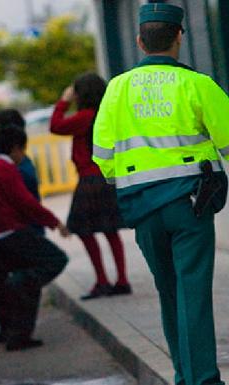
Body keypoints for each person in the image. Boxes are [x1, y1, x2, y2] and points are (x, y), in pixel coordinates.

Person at [92, 4, 229, 385]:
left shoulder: (116, 89)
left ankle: (184, 377)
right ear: (179, 37)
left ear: (139, 40)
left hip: (142, 207)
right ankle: (203, 380)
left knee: (169, 294)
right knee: (193, 295)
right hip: (191, 205)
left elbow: (102, 156)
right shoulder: (198, 85)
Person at [0, 125, 69, 351]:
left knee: (29, 282)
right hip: (13, 233)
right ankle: (20, 284)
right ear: (15, 148)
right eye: (22, 150)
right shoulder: (5, 170)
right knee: (55, 261)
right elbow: (26, 202)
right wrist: (55, 222)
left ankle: (18, 334)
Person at [50, 73, 131, 300]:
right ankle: (122, 280)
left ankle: (102, 280)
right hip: (108, 177)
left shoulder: (84, 117)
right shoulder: (108, 114)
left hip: (89, 179)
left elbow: (55, 126)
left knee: (83, 230)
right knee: (110, 229)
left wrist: (63, 101)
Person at [0, 109, 44, 344]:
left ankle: (18, 332)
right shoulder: (4, 160)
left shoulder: (16, 166)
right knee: (5, 284)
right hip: (10, 232)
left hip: (18, 233)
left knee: (21, 284)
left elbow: (26, 205)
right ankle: (12, 329)